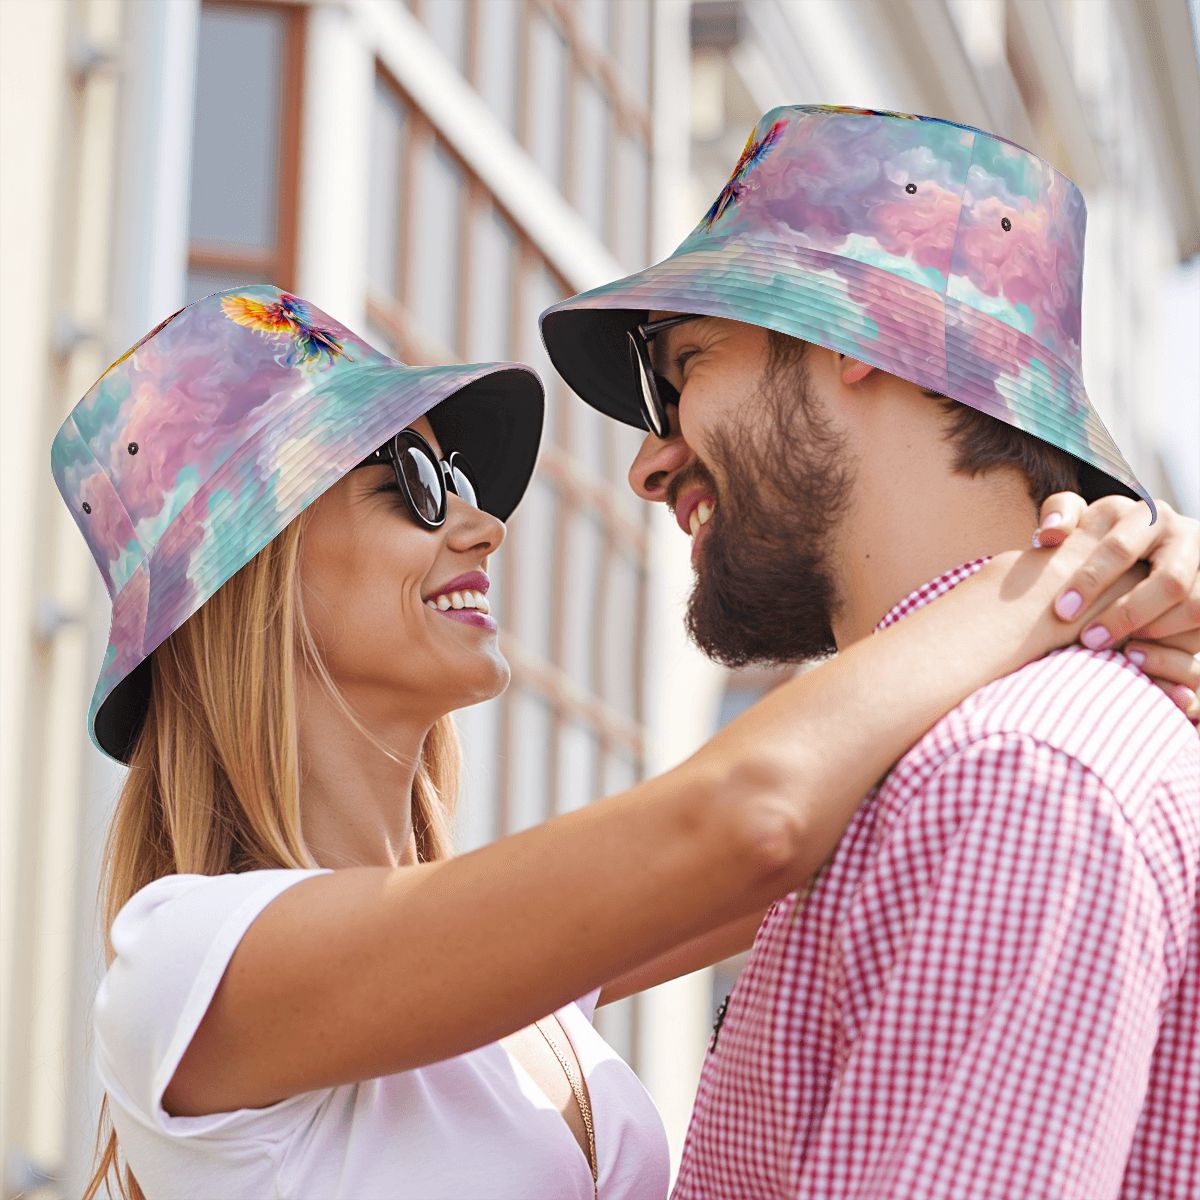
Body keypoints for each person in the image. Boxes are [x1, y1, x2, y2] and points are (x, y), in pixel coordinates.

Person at [60, 287, 1194, 1200]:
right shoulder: (182, 965)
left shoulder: (514, 982)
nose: (483, 524)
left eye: (458, 480)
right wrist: (1061, 576)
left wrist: (1155, 635)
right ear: (252, 582)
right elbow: (753, 816)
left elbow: (884, 811)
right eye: (410, 483)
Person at [539, 105, 1200, 1199]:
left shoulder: (1008, 779)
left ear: (851, 337)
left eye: (685, 367)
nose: (649, 464)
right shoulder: (934, 767)